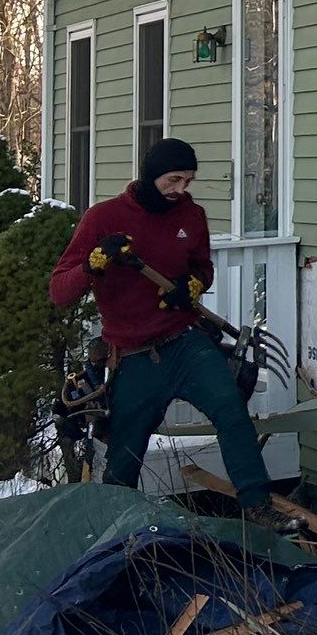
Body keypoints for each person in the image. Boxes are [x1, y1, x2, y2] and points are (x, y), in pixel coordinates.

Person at [50, 137, 274, 518]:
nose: (180, 189)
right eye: (173, 180)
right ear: (151, 175)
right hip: (132, 354)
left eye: (188, 181)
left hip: (184, 342)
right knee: (125, 455)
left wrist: (192, 285)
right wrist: (94, 264)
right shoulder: (103, 218)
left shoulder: (191, 216)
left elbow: (203, 267)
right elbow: (59, 290)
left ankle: (258, 506)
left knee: (231, 407)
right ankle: (115, 527)